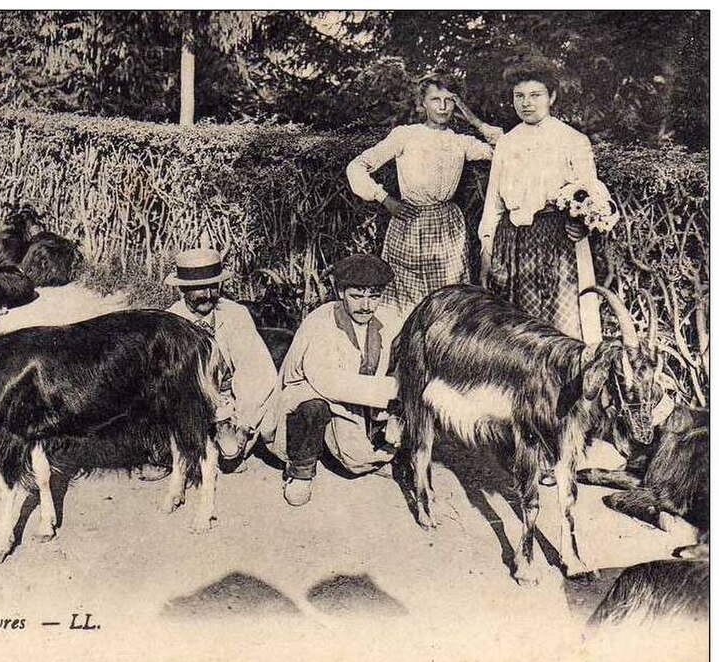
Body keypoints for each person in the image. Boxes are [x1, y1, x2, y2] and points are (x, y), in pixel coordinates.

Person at [347, 75, 503, 320]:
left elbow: (505, 151)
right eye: (435, 100)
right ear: (422, 104)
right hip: (408, 224)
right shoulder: (405, 135)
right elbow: (356, 166)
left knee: (449, 307)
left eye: (449, 100)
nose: (442, 106)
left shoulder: (460, 141)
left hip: (448, 229)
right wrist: (384, 198)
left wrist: (472, 118)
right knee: (403, 310)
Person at [478, 59, 612, 340]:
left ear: (552, 96)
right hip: (513, 243)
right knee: (516, 334)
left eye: (535, 95)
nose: (526, 103)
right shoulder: (507, 142)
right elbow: (494, 203)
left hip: (558, 244)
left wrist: (583, 225)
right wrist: (487, 250)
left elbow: (590, 194)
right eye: (519, 96)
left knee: (562, 331)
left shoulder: (573, 140)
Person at [260, 253, 401, 507]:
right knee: (314, 406)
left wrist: (394, 406)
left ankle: (365, 447)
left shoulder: (387, 321)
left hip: (354, 401)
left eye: (374, 296)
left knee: (358, 460)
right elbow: (327, 382)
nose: (366, 305)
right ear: (340, 292)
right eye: (357, 296)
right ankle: (300, 470)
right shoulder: (320, 323)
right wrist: (393, 394)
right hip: (311, 397)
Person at [146, 248, 278, 478]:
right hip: (188, 404)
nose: (208, 295)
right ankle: (172, 452)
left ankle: (222, 445)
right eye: (199, 288)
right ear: (182, 288)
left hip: (229, 402)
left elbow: (256, 370)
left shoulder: (235, 314)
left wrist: (243, 423)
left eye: (214, 286)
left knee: (231, 450)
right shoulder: (168, 322)